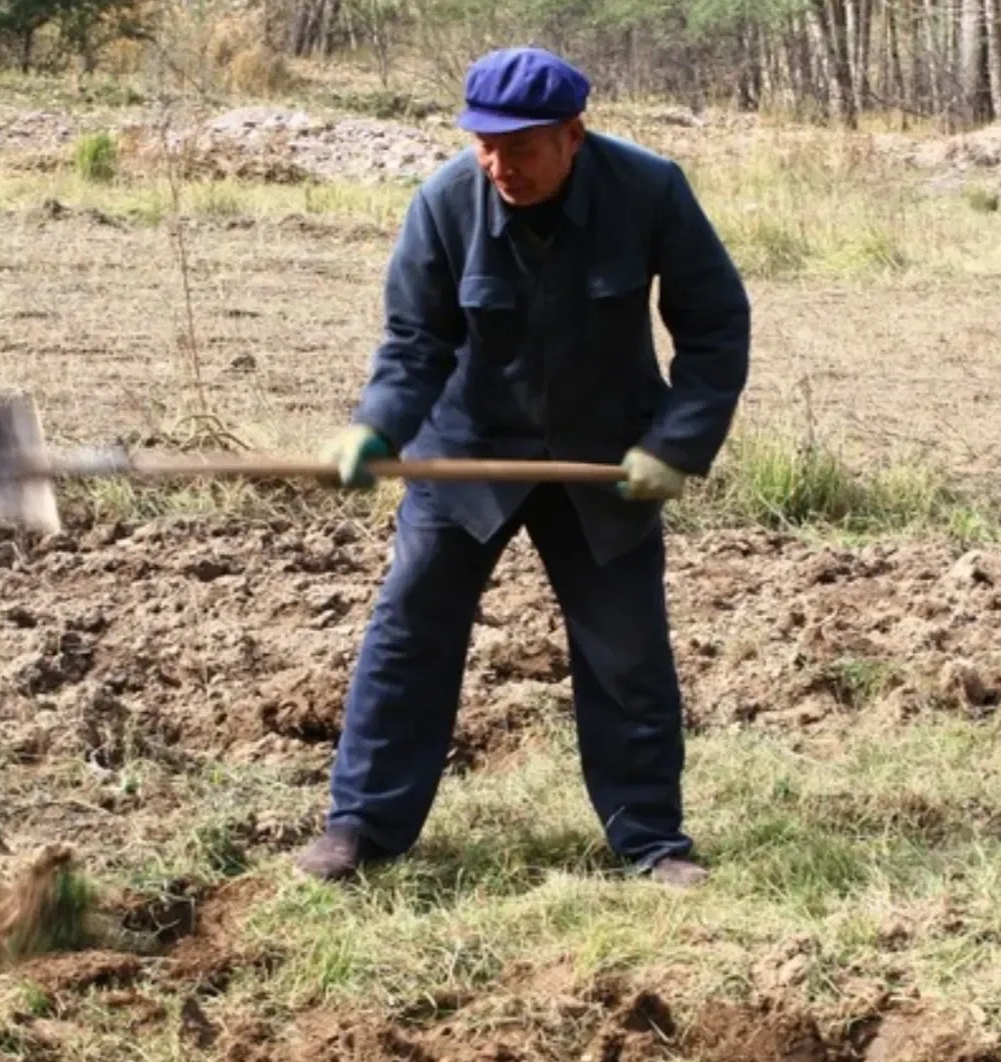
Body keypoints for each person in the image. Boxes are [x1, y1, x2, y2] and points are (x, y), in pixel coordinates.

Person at [296, 46, 750, 889]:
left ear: (573, 135)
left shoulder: (649, 190)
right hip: (466, 453)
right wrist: (375, 429)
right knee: (410, 630)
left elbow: (715, 324)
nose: (501, 166)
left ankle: (651, 840)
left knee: (625, 649)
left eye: (522, 148)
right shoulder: (444, 201)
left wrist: (675, 445)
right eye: (485, 146)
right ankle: (360, 827)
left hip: (603, 461)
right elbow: (414, 343)